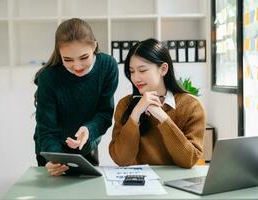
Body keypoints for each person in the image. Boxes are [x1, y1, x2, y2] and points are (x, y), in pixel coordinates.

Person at [34, 18, 118, 176]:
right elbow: (46, 130)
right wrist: (55, 158)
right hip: (52, 151)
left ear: (94, 46)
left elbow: (105, 113)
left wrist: (89, 130)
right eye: (68, 60)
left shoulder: (107, 66)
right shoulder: (49, 77)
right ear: (59, 53)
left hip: (87, 148)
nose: (77, 66)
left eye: (84, 58)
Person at [109, 38, 206, 168]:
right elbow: (121, 159)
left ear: (163, 69)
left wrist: (163, 117)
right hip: (137, 184)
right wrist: (135, 114)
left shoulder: (191, 106)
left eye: (142, 70)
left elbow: (189, 160)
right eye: (132, 71)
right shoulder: (125, 104)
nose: (135, 78)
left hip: (174, 184)